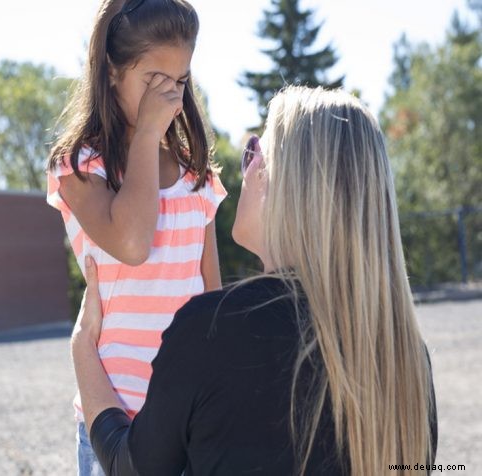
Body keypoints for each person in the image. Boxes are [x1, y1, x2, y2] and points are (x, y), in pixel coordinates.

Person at [72, 85, 438, 475]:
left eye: (253, 153)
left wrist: (83, 347)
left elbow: (131, 468)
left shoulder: (212, 330)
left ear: (278, 182)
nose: (243, 172)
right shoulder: (406, 358)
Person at [45, 0, 227, 473]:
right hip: (113, 427)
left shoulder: (198, 178)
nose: (169, 96)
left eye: (180, 82)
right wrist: (147, 135)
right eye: (152, 81)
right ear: (110, 72)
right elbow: (132, 242)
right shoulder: (81, 168)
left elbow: (212, 297)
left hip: (189, 426)